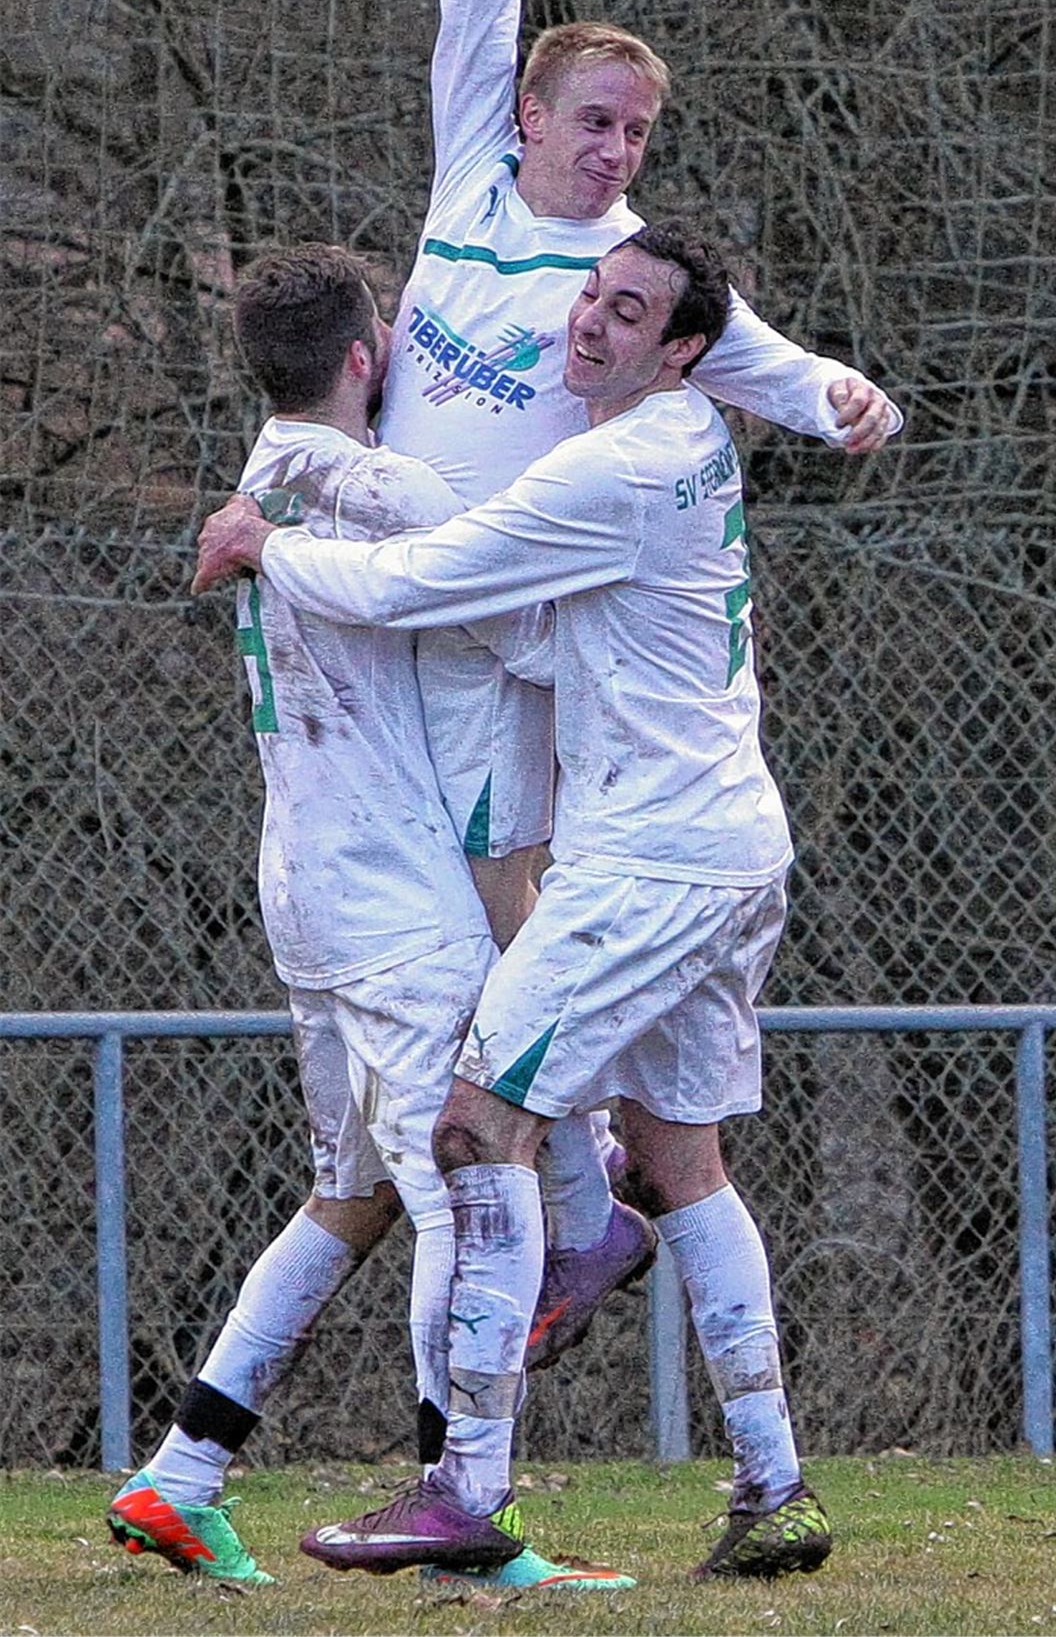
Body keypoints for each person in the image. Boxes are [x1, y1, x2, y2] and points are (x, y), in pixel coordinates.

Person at [192, 221, 837, 1583]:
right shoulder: (679, 444)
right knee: (682, 1161)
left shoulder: (610, 466)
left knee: (477, 1128)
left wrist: (267, 546)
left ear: (686, 352)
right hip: (728, 840)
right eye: (591, 294)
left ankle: (466, 1490)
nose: (589, 321)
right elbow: (542, 628)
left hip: (651, 864)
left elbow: (421, 578)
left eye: (629, 312)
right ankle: (774, 1488)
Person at [377, 0, 902, 1360]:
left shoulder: (628, 281)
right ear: (529, 116)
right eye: (595, 119)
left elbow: (764, 360)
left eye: (636, 133)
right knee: (470, 930)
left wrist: (844, 398)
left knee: (506, 909)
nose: (615, 150)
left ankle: (579, 1202)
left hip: (505, 634)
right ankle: (587, 1188)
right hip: (413, 617)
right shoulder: (469, 189)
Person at [107, 244, 634, 1594]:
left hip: (304, 880)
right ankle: (463, 1525)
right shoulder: (382, 485)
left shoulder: (264, 469)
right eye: (390, 332)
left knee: (351, 1197)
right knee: (471, 1187)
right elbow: (515, 595)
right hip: (392, 897)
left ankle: (180, 1477)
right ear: (361, 356)